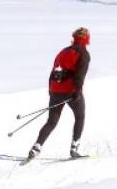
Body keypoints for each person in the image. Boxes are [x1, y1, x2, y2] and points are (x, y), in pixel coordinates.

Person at [26, 27, 91, 162]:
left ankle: (36, 147)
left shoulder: (63, 51)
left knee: (51, 121)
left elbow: (54, 71)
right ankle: (74, 148)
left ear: (74, 38)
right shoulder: (84, 54)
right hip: (71, 91)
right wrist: (77, 92)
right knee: (80, 116)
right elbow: (80, 76)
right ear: (86, 39)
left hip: (55, 90)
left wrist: (51, 90)